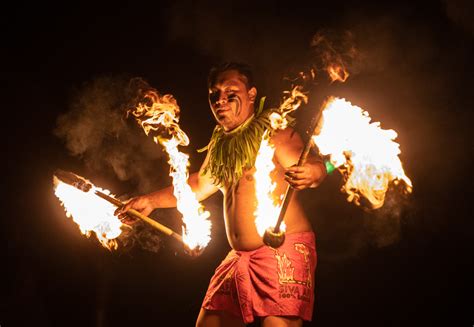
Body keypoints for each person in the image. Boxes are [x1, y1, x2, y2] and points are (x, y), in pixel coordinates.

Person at [117, 62, 327, 326]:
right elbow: (198, 186)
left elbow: (314, 166)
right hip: (240, 258)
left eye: (230, 92)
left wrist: (313, 173)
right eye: (214, 94)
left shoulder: (274, 133)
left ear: (251, 95)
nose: (220, 100)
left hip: (283, 249)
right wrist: (150, 201)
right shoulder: (220, 144)